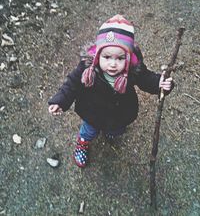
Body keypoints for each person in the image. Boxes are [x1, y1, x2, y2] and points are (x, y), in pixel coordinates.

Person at [48, 15, 173, 168]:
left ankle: (110, 132)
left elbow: (147, 80)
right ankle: (82, 143)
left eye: (120, 58)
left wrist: (161, 83)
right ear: (98, 54)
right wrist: (60, 100)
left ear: (128, 57)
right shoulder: (88, 68)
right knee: (89, 131)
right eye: (107, 57)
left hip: (120, 112)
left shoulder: (133, 69)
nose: (113, 64)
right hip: (93, 112)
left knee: (116, 129)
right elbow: (72, 84)